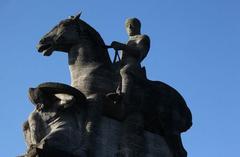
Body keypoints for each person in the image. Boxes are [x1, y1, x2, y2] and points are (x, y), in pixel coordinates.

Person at [107, 17, 150, 111]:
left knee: (125, 71)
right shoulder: (127, 42)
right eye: (127, 26)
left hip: (133, 65)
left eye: (132, 25)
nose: (129, 27)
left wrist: (122, 46)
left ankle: (124, 99)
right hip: (122, 63)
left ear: (138, 26)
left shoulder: (143, 38)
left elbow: (139, 53)